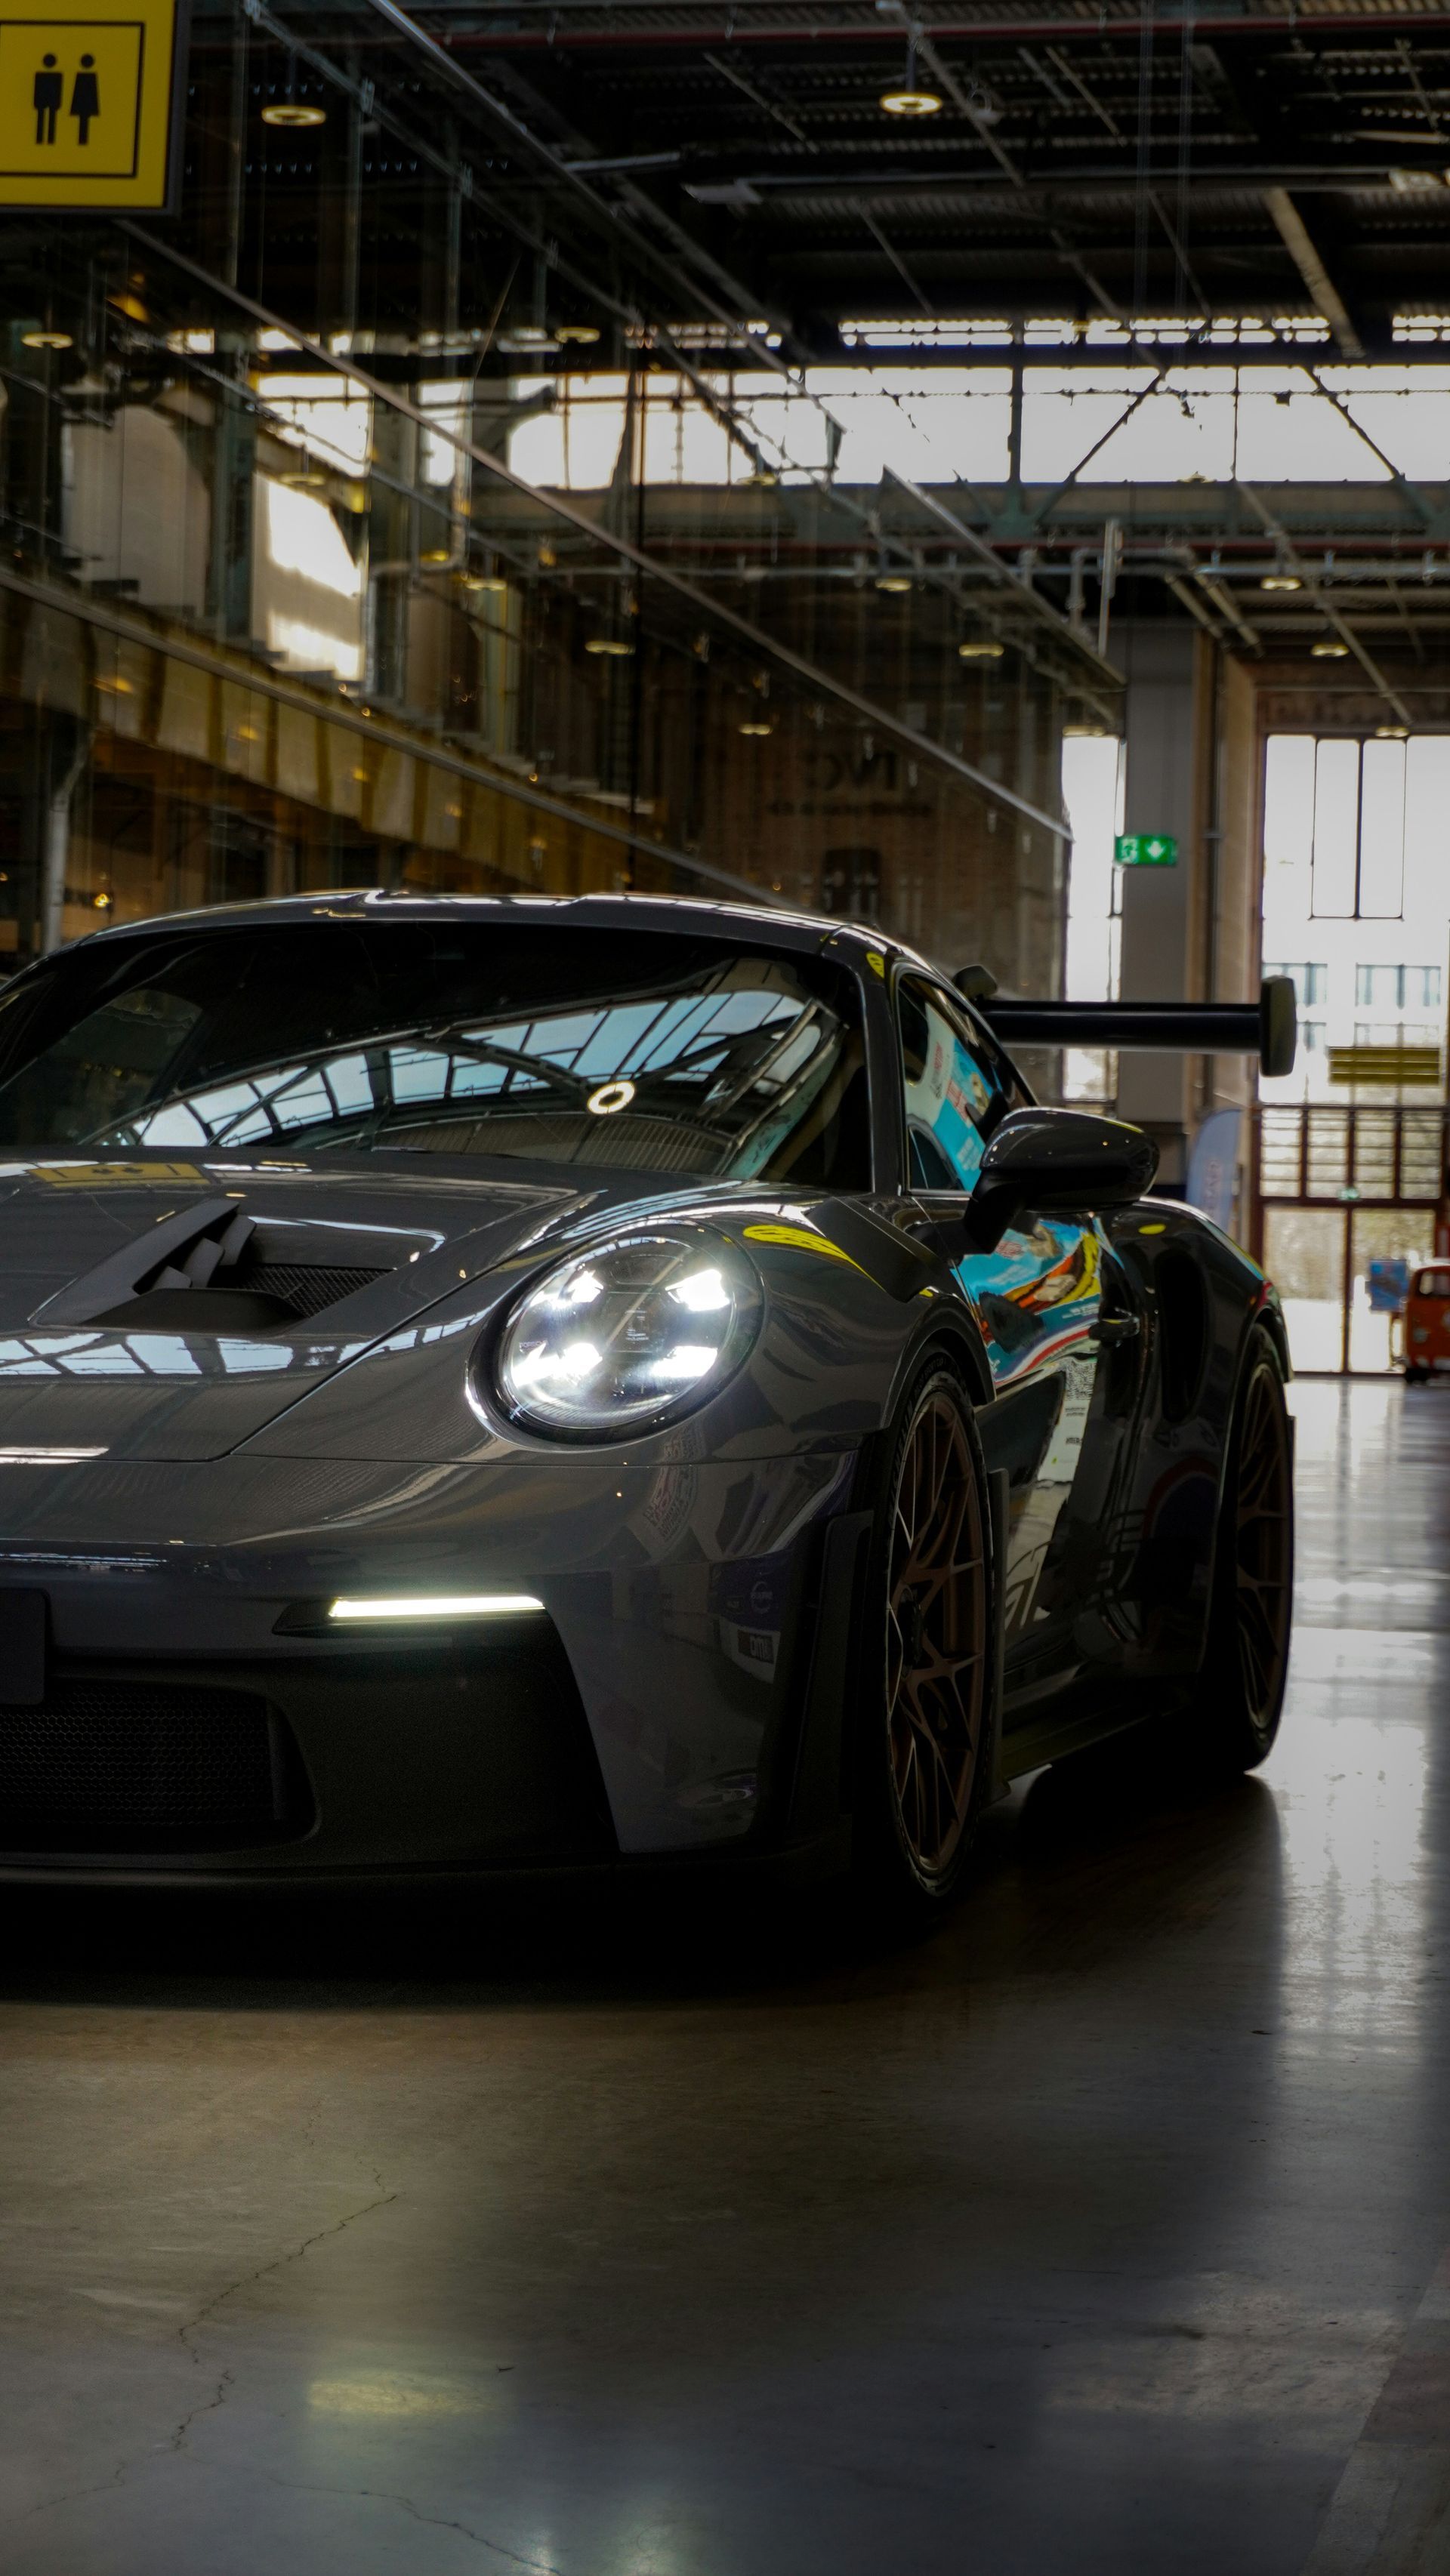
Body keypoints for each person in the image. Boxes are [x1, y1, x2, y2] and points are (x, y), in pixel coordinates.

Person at [69, 55, 99, 146]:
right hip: (85, 104)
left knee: (84, 122)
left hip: (84, 104)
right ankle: (82, 140)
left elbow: (92, 93)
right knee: (84, 122)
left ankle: (82, 140)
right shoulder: (84, 77)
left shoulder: (87, 77)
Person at [32, 54, 61, 146]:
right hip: (46, 101)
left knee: (47, 119)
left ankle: (46, 138)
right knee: (46, 119)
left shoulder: (55, 76)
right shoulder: (56, 76)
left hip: (45, 101)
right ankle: (45, 138)